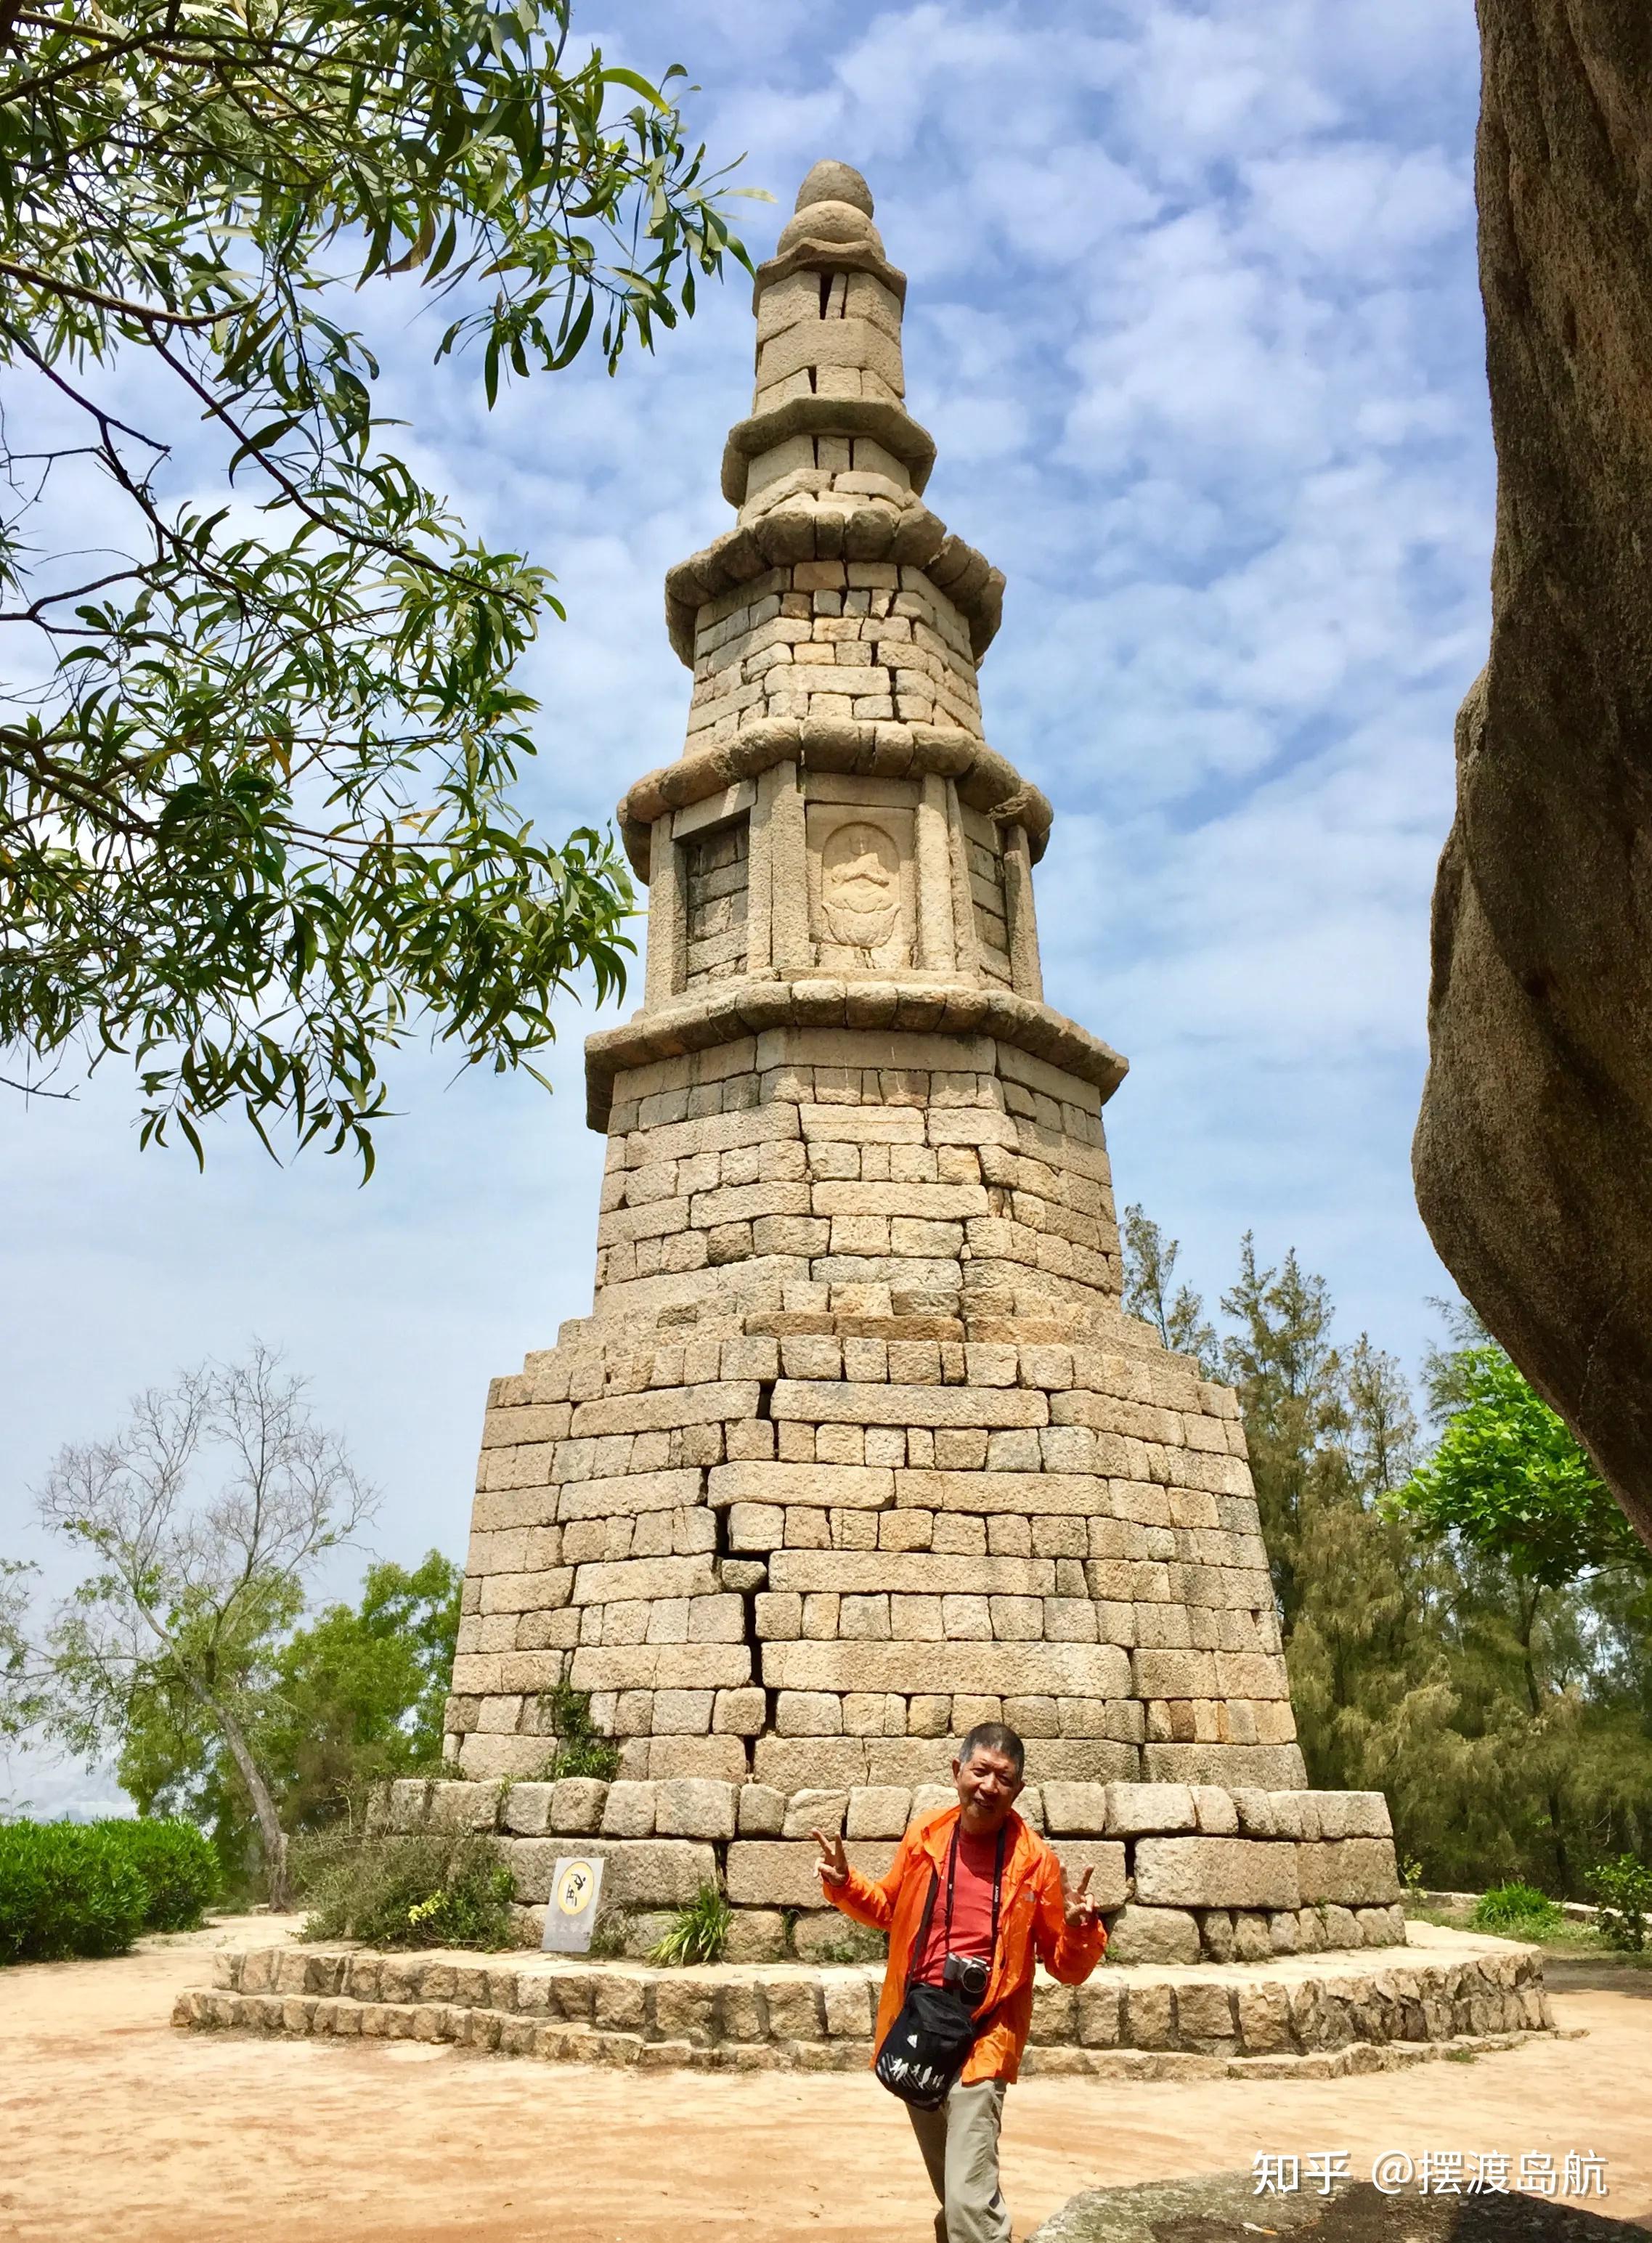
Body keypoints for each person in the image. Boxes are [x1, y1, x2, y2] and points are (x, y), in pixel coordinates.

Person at [813, 1722, 1105, 2243]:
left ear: (1017, 1791)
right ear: (956, 1772)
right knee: (955, 2193)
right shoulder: (925, 1837)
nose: (989, 1786)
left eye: (1004, 1778)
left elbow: (1064, 1965)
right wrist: (844, 1882)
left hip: (983, 2036)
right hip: (919, 2025)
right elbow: (888, 1908)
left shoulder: (1035, 1862)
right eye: (980, 1771)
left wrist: (1081, 1928)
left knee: (970, 2200)